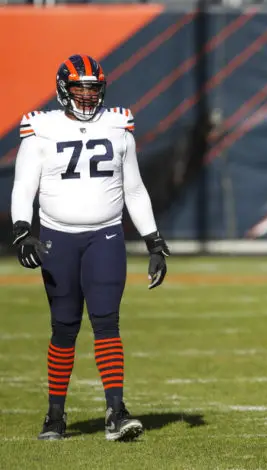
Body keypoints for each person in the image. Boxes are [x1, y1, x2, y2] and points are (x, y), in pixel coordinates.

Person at [11, 54, 169, 442]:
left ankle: (116, 412)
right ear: (64, 87)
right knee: (63, 327)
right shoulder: (41, 127)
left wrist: (154, 240)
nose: (86, 95)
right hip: (57, 237)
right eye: (80, 87)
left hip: (106, 236)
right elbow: (24, 186)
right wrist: (22, 230)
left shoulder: (118, 126)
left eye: (93, 87)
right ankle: (54, 416)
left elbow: (134, 188)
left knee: (106, 323)